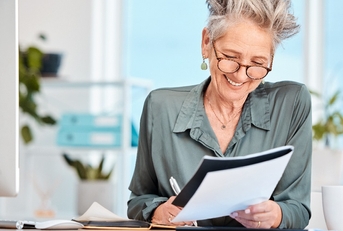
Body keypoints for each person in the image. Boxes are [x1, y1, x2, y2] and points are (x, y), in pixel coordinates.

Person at [127, 0, 312, 229]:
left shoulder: (292, 103)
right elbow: (138, 200)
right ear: (206, 43)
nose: (242, 76)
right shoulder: (160, 107)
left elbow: (299, 210)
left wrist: (276, 215)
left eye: (257, 63)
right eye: (231, 58)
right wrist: (159, 212)